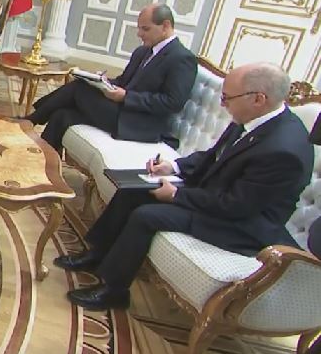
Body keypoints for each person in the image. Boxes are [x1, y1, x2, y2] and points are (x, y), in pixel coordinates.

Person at [55, 63, 313, 310]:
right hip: (219, 198)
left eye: (227, 98)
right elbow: (215, 155)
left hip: (242, 225)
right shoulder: (254, 118)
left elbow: (236, 205)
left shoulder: (282, 150)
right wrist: (174, 167)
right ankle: (97, 254)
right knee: (132, 189)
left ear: (258, 98)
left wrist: (177, 195)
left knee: (147, 216)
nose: (223, 104)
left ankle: (114, 291)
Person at [26, 3, 197, 152]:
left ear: (165, 26)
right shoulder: (142, 51)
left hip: (140, 123)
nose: (139, 34)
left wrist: (126, 97)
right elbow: (124, 82)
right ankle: (41, 167)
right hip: (122, 112)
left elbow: (172, 102)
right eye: (139, 28)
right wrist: (102, 82)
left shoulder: (182, 58)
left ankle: (29, 121)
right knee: (62, 115)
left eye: (145, 29)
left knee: (78, 89)